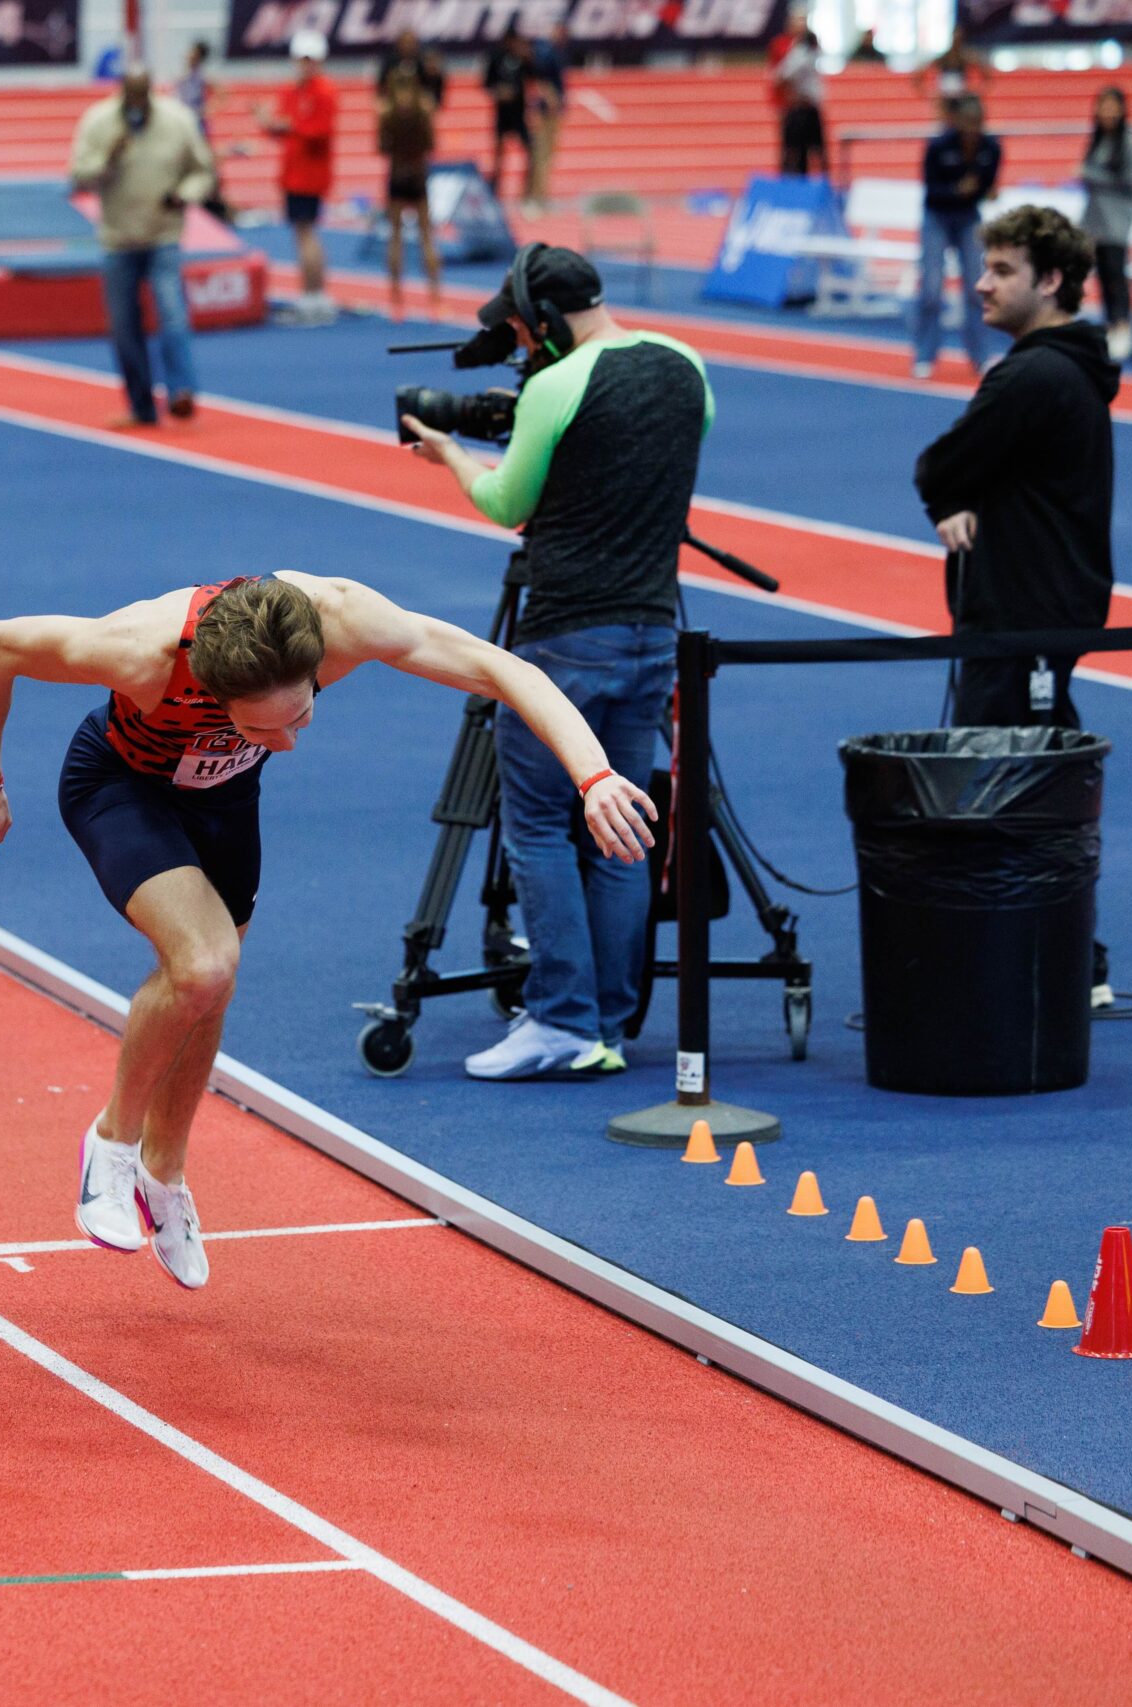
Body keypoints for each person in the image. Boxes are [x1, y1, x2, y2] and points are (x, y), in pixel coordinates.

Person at [0, 572, 654, 1287]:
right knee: (204, 964)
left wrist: (594, 777)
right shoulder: (138, 651)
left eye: (301, 716)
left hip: (224, 799)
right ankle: (112, 1141)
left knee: (209, 992)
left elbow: (503, 667)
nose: (285, 744)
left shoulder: (345, 619)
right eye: (259, 727)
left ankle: (165, 1172)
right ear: (216, 693)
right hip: (122, 786)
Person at [403, 245, 712, 1079]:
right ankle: (609, 1020)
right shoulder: (686, 366)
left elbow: (509, 502)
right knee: (618, 827)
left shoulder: (554, 386)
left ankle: (563, 1021)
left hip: (565, 634)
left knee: (540, 823)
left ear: (541, 319)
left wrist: (449, 452)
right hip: (653, 628)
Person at [913, 205, 1115, 731]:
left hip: (1022, 616)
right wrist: (954, 502)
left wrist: (947, 495)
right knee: (1044, 772)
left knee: (1000, 785)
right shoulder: (1073, 364)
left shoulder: (1031, 376)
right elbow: (966, 470)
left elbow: (939, 466)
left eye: (1002, 272)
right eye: (985, 269)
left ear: (1049, 280)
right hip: (1047, 607)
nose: (981, 284)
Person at [71, 66, 215, 427]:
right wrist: (108, 159)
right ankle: (141, 406)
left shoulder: (177, 120)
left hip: (163, 234)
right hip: (118, 238)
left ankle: (181, 391)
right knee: (123, 326)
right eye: (130, 98)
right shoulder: (99, 122)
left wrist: (184, 195)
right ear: (121, 94)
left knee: (173, 314)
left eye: (142, 97)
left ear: (151, 93)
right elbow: (78, 176)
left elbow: (203, 170)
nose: (137, 105)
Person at [913, 93, 999, 378]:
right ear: (957, 121)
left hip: (968, 218)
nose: (972, 128)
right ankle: (925, 354)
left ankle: (980, 355)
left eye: (977, 122)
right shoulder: (938, 146)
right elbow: (930, 189)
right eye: (967, 122)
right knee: (932, 289)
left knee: (977, 289)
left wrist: (980, 191)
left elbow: (987, 186)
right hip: (937, 216)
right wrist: (955, 191)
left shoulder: (991, 148)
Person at [261, 31, 338, 325]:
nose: (305, 66)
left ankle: (314, 295)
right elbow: (284, 128)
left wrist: (289, 126)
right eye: (301, 60)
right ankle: (312, 294)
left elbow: (319, 131)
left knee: (307, 234)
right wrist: (270, 124)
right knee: (301, 234)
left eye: (310, 60)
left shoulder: (324, 91)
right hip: (293, 173)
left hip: (310, 173)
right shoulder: (292, 91)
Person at [1079, 86, 1132, 362]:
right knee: (1102, 274)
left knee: (1117, 274)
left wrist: (1091, 174)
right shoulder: (1097, 140)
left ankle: (1123, 326)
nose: (1107, 111)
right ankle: (1109, 325)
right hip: (1095, 220)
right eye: (1102, 105)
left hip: (1117, 220)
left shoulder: (1129, 143)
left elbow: (1130, 182)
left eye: (1112, 105)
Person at [378, 68, 441, 324]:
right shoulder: (423, 109)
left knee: (396, 237)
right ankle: (435, 298)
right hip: (417, 175)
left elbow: (382, 147)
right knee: (426, 236)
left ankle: (396, 301)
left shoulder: (386, 111)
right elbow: (431, 145)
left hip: (397, 175)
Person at [175, 39, 231, 223]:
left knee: (206, 160)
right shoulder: (184, 75)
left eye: (191, 52)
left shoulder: (201, 76)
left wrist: (207, 110)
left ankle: (215, 199)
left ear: (198, 56)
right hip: (183, 124)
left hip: (197, 125)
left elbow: (222, 93)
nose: (187, 55)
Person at [480, 27, 535, 206]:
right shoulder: (496, 58)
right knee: (499, 153)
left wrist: (529, 58)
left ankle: (527, 192)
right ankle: (495, 190)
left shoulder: (523, 57)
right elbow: (486, 83)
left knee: (530, 151)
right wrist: (498, 92)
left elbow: (534, 77)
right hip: (502, 113)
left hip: (519, 113)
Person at [773, 11, 828, 178]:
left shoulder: (810, 45)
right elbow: (780, 76)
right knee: (794, 152)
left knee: (819, 151)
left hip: (811, 106)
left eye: (803, 21)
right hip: (795, 107)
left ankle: (822, 188)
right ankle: (792, 188)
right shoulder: (783, 46)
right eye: (797, 21)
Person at [526, 23, 569, 214]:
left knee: (547, 156)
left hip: (553, 111)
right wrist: (552, 101)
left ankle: (541, 196)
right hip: (546, 112)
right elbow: (541, 79)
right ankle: (535, 198)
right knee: (541, 155)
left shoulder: (557, 52)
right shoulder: (546, 52)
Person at [375, 29, 445, 110]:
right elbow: (381, 83)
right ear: (399, 44)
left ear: (415, 44)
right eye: (405, 42)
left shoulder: (422, 60)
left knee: (427, 104)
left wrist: (433, 76)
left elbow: (431, 86)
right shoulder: (390, 61)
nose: (407, 45)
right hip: (393, 98)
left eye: (410, 43)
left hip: (418, 98)